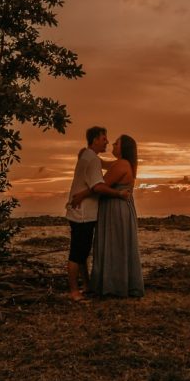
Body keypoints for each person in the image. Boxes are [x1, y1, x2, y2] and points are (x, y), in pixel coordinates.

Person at [72, 135, 143, 298]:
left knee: (114, 244)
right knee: (118, 245)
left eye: (117, 143)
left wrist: (81, 195)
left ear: (123, 148)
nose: (113, 144)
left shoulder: (122, 164)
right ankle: (118, 284)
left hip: (115, 208)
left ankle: (113, 286)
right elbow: (102, 164)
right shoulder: (122, 163)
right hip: (118, 208)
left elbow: (99, 185)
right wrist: (89, 153)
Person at [65, 127, 128, 301]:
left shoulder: (89, 156)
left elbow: (106, 165)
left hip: (80, 211)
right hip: (83, 213)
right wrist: (119, 194)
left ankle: (86, 285)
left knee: (82, 252)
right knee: (77, 254)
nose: (107, 141)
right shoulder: (91, 159)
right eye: (103, 138)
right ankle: (74, 291)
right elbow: (97, 187)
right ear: (94, 140)